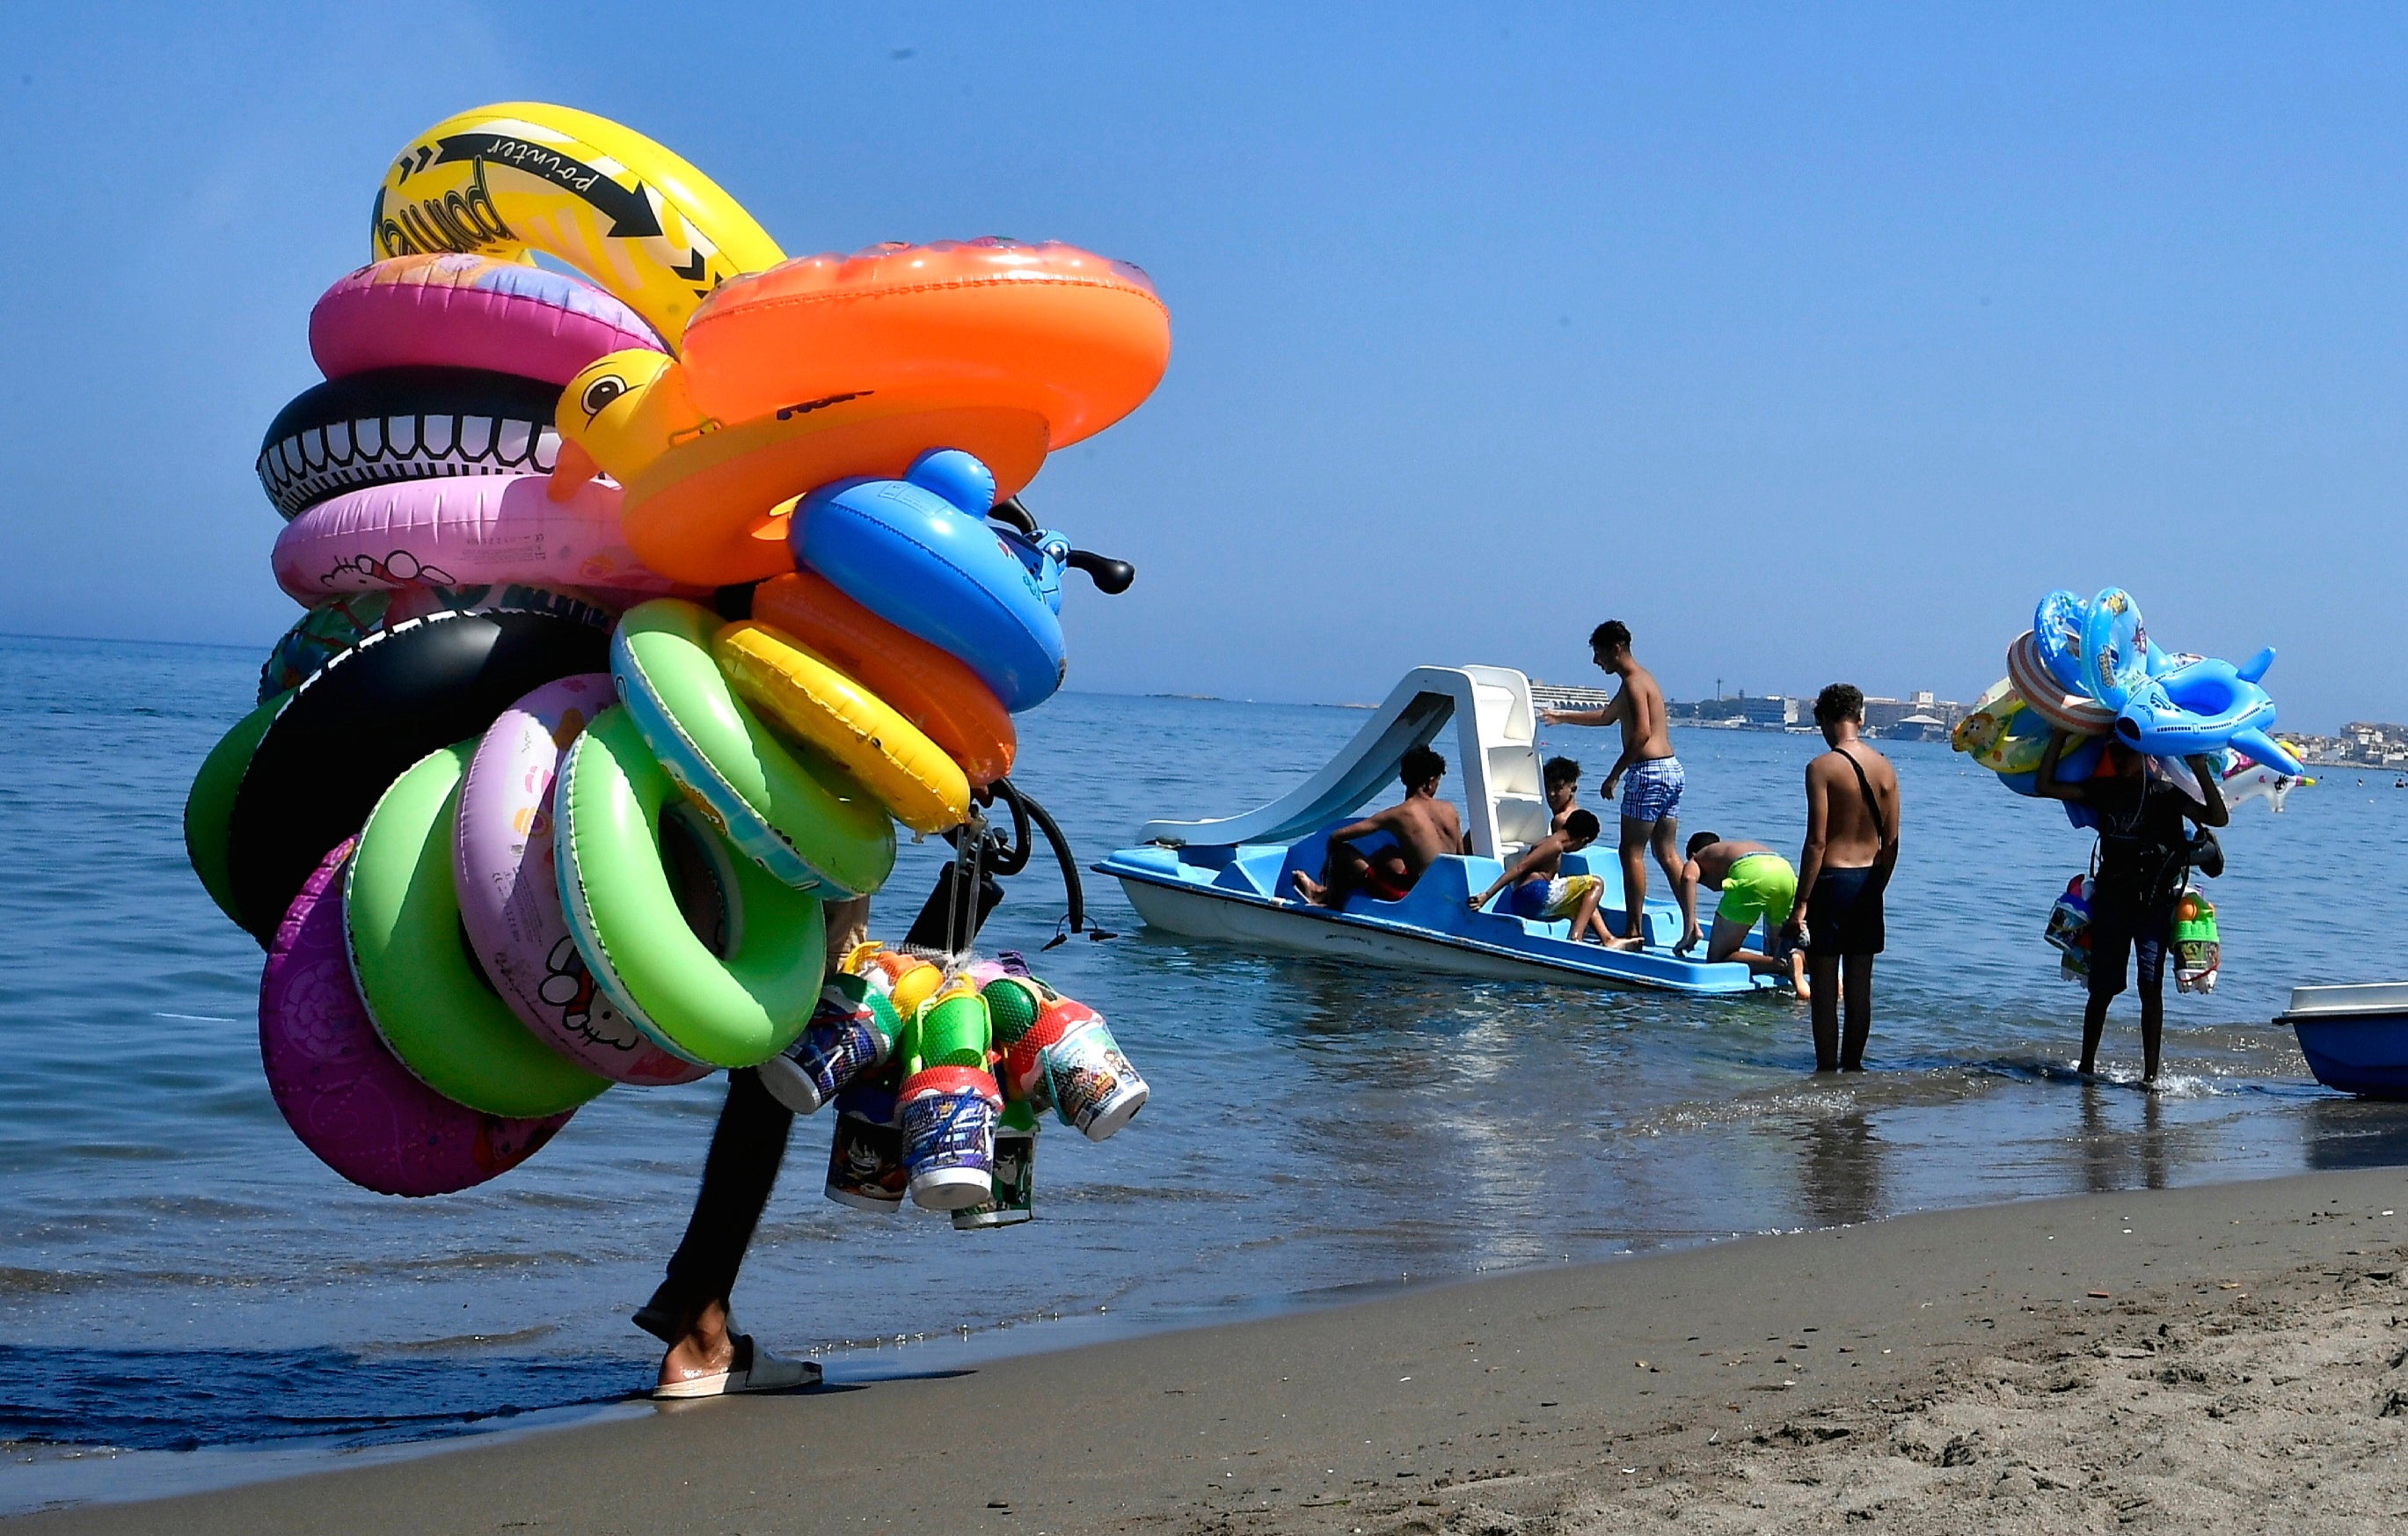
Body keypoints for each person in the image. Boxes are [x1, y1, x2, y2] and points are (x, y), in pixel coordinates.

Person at [634, 888, 872, 1398]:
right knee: (778, 1065)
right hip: (807, 838)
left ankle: (689, 1291)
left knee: (760, 1063)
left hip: (722, 827)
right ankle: (701, 1337)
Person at [2032, 731, 2229, 1086]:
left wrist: (2199, 768)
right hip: (2112, 905)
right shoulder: (2105, 790)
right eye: (2114, 753)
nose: (2118, 759)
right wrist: (2058, 737)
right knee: (2102, 989)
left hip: (2153, 906)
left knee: (2150, 987)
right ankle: (2086, 1068)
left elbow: (2218, 817)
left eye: (2125, 753)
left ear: (2143, 755)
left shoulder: (2165, 795)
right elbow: (2045, 785)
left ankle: (2150, 1077)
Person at [1538, 621, 1684, 946]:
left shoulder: (1633, 683)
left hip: (1647, 771)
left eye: (1598, 653)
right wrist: (1562, 716)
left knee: (1631, 851)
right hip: (1671, 769)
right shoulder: (1641, 680)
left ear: (1615, 649)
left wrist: (1615, 774)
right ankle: (1691, 926)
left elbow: (1642, 734)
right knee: (1667, 853)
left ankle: (1633, 931)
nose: (1596, 661)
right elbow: (1607, 716)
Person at [1783, 684, 1900, 1072]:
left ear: (1824, 720)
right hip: (1868, 881)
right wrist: (1876, 887)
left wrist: (1800, 905)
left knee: (1824, 990)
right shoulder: (1885, 768)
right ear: (1861, 717)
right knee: (1860, 988)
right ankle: (1853, 1068)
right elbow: (1892, 843)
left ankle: (1825, 1072)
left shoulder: (1821, 768)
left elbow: (1816, 841)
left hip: (1830, 883)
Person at [1291, 745, 1469, 907]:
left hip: (1414, 897)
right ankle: (1333, 891)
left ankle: (1326, 899)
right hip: (1450, 893)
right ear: (1430, 781)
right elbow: (1463, 858)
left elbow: (1335, 837)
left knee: (1341, 854)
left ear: (1403, 778)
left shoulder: (1397, 815)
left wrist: (1328, 865)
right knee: (1390, 852)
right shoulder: (1450, 810)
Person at [1675, 833, 1811, 996]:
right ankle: (1808, 962)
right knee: (1774, 954)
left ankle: (1785, 963)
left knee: (1718, 958)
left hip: (1752, 873)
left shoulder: (1697, 858)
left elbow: (1688, 877)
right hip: (1785, 872)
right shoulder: (1731, 849)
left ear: (1692, 854)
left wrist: (1689, 930)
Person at [1468, 808, 1617, 944]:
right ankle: (1576, 937)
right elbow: (1520, 867)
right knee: (1596, 884)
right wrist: (1487, 895)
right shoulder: (1554, 845)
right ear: (1583, 840)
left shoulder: (1552, 843)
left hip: (1527, 901)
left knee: (1585, 900)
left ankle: (1607, 938)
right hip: (1533, 895)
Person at [1543, 756, 1582, 834]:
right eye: (1547, 787)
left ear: (1573, 789)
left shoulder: (1561, 820)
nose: (1551, 794)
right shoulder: (1578, 814)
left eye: (1557, 788)